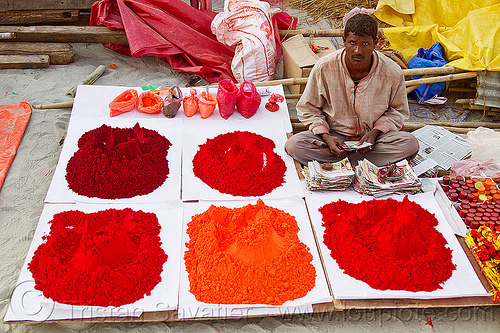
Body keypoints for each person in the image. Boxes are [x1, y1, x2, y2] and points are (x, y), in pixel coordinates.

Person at [285, 13, 419, 167]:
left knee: (410, 144)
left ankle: (342, 163)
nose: (357, 50)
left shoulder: (392, 72)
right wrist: (327, 137)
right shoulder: (324, 67)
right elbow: (308, 109)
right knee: (295, 145)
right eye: (352, 42)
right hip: (334, 136)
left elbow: (398, 111)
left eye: (365, 44)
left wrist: (375, 133)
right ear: (344, 41)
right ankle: (362, 163)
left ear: (375, 43)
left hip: (372, 140)